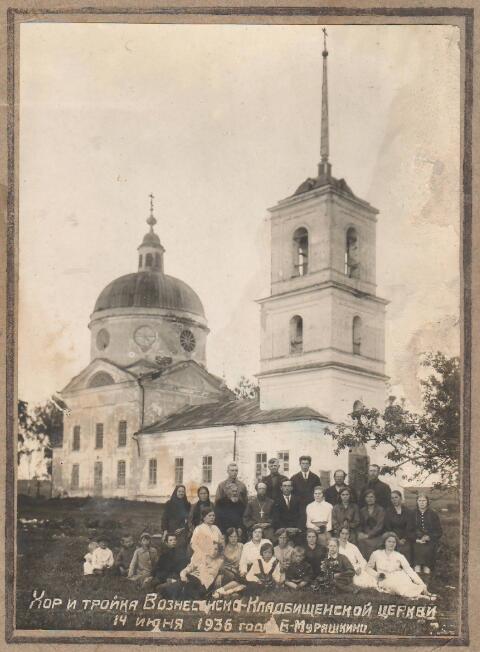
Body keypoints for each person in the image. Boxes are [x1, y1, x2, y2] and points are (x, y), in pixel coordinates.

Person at [368, 532, 435, 600]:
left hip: (399, 576)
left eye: (394, 542)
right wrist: (376, 574)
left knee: (408, 585)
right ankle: (420, 596)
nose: (391, 544)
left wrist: (422, 583)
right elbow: (368, 568)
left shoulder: (399, 555)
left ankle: (421, 593)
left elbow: (409, 570)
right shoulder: (376, 554)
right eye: (389, 541)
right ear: (384, 542)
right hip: (384, 578)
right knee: (397, 587)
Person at [413, 494, 443, 574]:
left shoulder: (433, 514)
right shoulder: (412, 514)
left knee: (428, 556)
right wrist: (416, 539)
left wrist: (429, 537)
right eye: (419, 501)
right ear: (417, 502)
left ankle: (427, 578)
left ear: (427, 502)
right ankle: (417, 576)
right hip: (416, 541)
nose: (422, 503)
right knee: (417, 562)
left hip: (430, 541)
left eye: (424, 501)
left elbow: (439, 531)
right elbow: (408, 530)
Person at [213, 528, 246, 598]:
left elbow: (245, 560)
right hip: (226, 572)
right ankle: (224, 591)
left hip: (237, 572)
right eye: (231, 537)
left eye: (235, 536)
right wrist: (219, 574)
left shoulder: (241, 546)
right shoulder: (224, 548)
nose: (233, 539)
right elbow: (219, 563)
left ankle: (221, 591)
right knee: (239, 580)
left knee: (241, 580)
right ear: (228, 537)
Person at [384, 490, 415, 562]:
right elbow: (387, 527)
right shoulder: (388, 511)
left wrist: (404, 539)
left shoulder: (408, 511)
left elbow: (409, 527)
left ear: (400, 498)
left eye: (396, 497)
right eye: (392, 498)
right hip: (392, 536)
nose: (394, 500)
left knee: (406, 549)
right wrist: (396, 539)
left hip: (406, 537)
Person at [358, 490, 385, 559]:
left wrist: (369, 535)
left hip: (377, 535)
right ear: (365, 499)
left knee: (372, 544)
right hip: (365, 534)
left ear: (375, 498)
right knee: (360, 541)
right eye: (367, 497)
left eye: (371, 497)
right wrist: (360, 533)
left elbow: (380, 526)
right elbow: (360, 524)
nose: (369, 499)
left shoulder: (380, 510)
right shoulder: (362, 510)